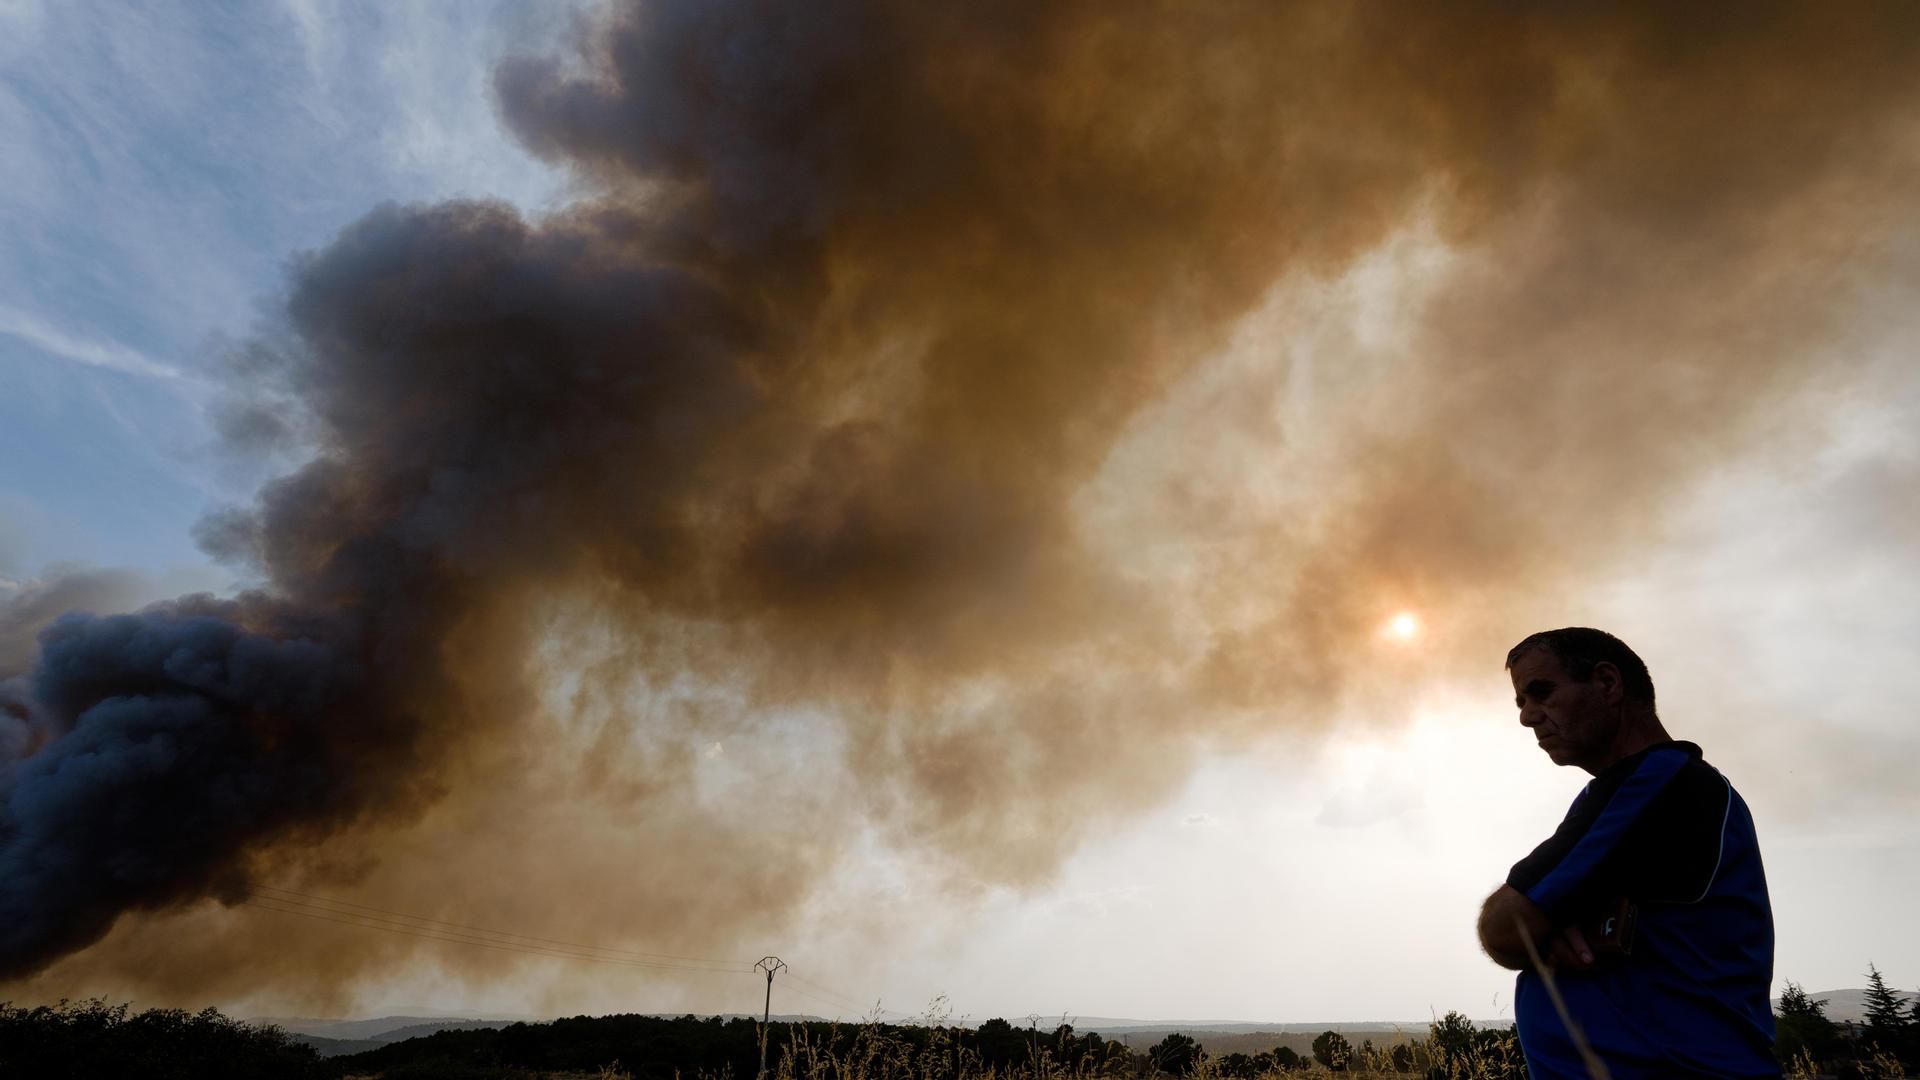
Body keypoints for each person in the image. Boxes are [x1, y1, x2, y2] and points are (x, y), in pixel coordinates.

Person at [1477, 628, 1778, 1078]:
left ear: (1607, 683)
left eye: (1541, 692)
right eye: (1520, 702)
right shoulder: (1641, 788)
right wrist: (1546, 927)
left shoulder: (1658, 783)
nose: (1527, 717)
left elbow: (1504, 927)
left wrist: (1539, 929)